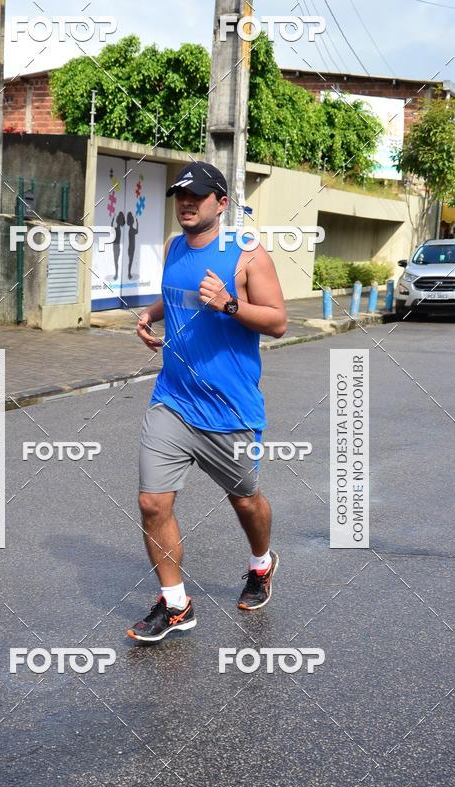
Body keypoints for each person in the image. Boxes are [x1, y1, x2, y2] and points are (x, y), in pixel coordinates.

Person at [127, 162, 287, 643]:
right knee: (152, 502)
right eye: (180, 196)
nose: (186, 203)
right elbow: (178, 294)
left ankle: (261, 563)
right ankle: (176, 604)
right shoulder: (175, 248)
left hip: (230, 409)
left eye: (197, 196)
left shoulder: (246, 254)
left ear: (221, 202)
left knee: (244, 500)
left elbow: (278, 321)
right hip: (172, 399)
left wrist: (229, 304)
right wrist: (151, 313)